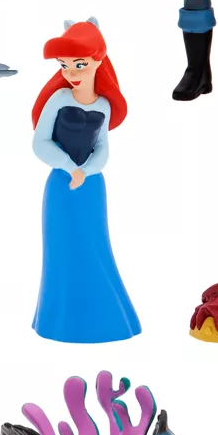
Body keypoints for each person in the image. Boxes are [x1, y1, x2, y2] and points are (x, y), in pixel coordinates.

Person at [31, 18, 141, 343]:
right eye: (64, 65)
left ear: (97, 60)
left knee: (96, 246)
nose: (71, 72)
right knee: (63, 250)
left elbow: (103, 146)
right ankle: (61, 321)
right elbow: (40, 143)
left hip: (92, 186)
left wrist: (88, 171)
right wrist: (70, 168)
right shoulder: (58, 99)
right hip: (62, 185)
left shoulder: (104, 104)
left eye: (79, 64)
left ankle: (108, 318)